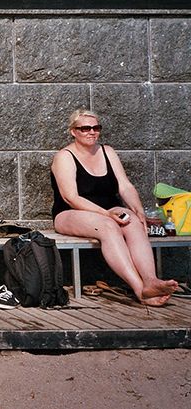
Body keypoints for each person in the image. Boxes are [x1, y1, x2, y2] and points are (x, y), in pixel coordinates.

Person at [50, 109, 178, 306]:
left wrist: (138, 210)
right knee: (108, 226)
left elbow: (125, 186)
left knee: (133, 221)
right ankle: (140, 289)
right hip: (71, 212)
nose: (91, 132)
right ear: (73, 131)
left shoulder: (107, 152)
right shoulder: (65, 157)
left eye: (96, 128)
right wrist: (106, 213)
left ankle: (151, 280)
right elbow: (71, 197)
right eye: (85, 128)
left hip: (109, 210)